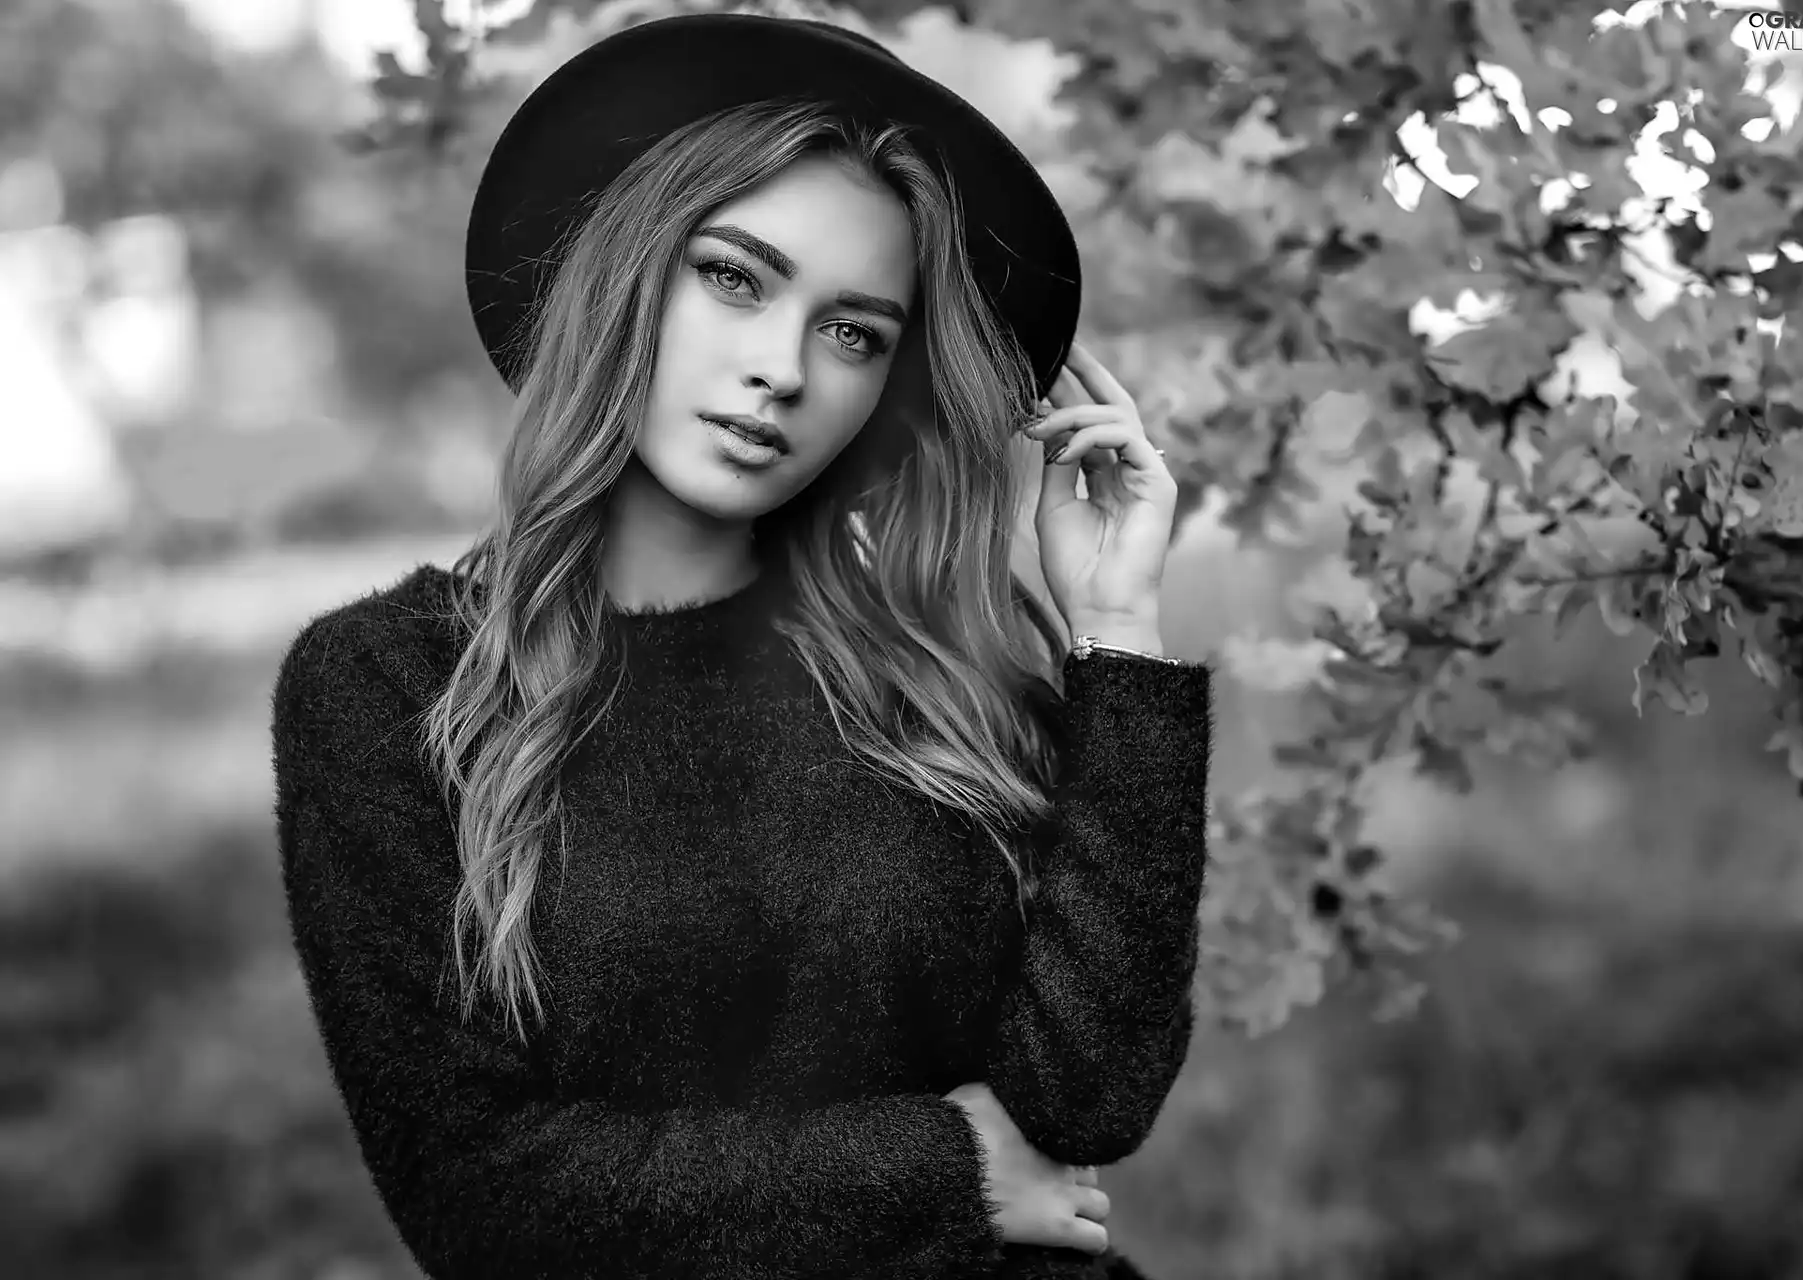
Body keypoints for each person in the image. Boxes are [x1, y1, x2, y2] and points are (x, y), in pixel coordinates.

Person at [270, 13, 1214, 1280]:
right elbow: (478, 1194)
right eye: (734, 276)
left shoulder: (936, 672)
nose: (782, 368)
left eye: (854, 332)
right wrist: (945, 1165)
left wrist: (1118, 633)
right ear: (626, 273)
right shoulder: (390, 686)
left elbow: (1086, 1105)